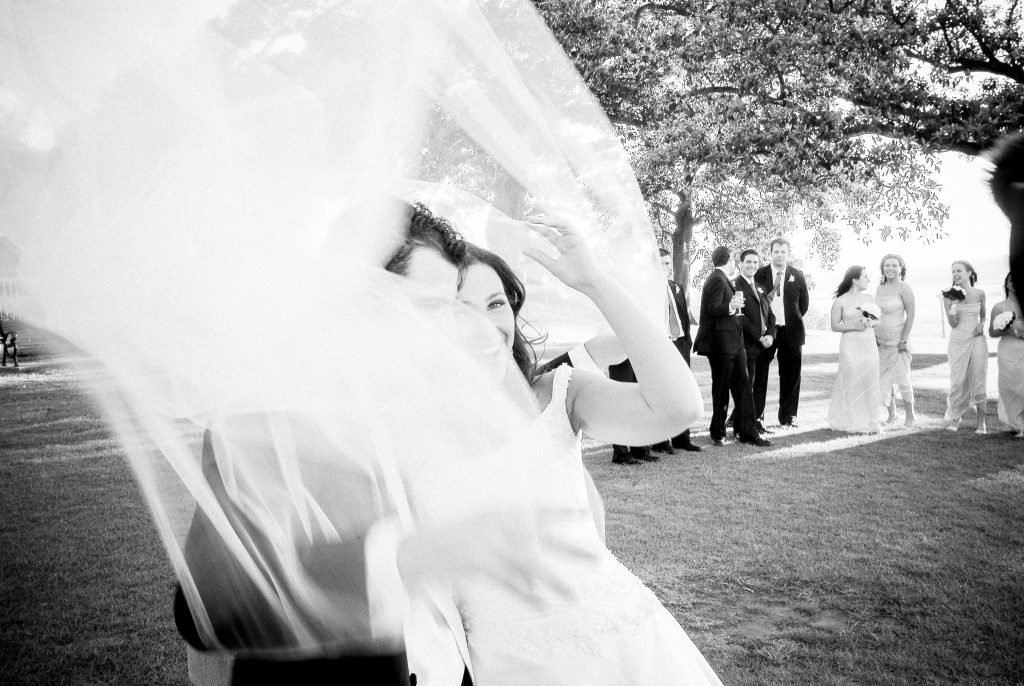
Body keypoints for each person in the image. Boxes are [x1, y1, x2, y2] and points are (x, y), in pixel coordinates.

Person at [452, 214, 721, 686]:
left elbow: (677, 408)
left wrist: (594, 282)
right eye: (459, 308)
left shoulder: (559, 394)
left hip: (617, 642)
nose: (487, 324)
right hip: (503, 659)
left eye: (496, 303)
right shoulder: (399, 429)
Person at [694, 246, 770, 447]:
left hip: (735, 345)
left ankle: (747, 432)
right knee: (721, 389)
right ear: (728, 261)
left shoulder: (723, 279)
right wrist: (731, 306)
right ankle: (718, 433)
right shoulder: (716, 280)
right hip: (722, 346)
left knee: (744, 388)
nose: (734, 264)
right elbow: (712, 309)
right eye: (734, 260)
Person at [754, 237, 809, 428]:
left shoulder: (798, 275)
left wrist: (789, 320)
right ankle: (756, 416)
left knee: (791, 375)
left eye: (783, 252)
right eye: (776, 252)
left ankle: (788, 416)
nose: (779, 255)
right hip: (766, 332)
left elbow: (803, 305)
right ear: (770, 254)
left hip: (791, 333)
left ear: (788, 254)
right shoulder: (759, 274)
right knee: (759, 374)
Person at [827, 266, 881, 433]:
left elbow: (878, 320)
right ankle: (847, 420)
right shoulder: (840, 301)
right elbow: (835, 326)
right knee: (850, 378)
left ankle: (870, 421)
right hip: (850, 344)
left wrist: (871, 322)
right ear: (855, 280)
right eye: (865, 276)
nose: (868, 280)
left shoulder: (869, 297)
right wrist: (853, 326)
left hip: (868, 343)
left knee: (869, 379)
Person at [731, 248, 776, 435]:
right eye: (748, 262)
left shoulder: (760, 287)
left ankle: (756, 421)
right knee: (746, 387)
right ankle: (742, 426)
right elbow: (740, 318)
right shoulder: (734, 285)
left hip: (764, 346)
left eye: (755, 262)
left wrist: (771, 335)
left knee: (760, 386)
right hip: (746, 345)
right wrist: (758, 336)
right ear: (740, 264)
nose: (752, 266)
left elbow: (770, 316)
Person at [942, 260, 988, 433]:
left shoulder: (980, 293)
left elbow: (983, 316)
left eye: (959, 270)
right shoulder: (948, 295)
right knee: (957, 380)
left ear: (969, 273)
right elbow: (953, 324)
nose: (955, 274)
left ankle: (981, 423)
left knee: (979, 377)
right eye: (953, 271)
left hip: (977, 339)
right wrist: (953, 304)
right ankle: (955, 418)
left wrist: (981, 324)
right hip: (958, 340)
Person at [874, 254, 916, 428]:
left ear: (901, 268)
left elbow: (911, 315)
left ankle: (911, 417)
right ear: (882, 268)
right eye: (886, 265)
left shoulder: (904, 288)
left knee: (903, 378)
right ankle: (892, 415)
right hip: (881, 342)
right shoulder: (879, 288)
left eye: (894, 265)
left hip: (899, 340)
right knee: (883, 379)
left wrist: (904, 340)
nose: (890, 268)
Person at [988, 274, 1024, 438]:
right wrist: (1005, 329)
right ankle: (1014, 423)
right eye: (1011, 280)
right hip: (1007, 349)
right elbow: (992, 332)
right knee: (1008, 386)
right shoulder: (999, 307)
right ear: (1007, 284)